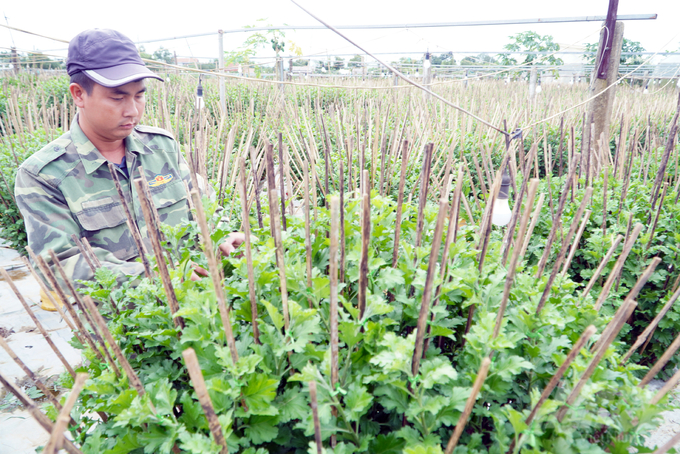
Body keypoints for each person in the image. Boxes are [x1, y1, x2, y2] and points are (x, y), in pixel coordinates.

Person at [14, 29, 242, 310]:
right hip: (124, 330)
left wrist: (224, 235)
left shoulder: (162, 147)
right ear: (78, 94)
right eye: (117, 98)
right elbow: (60, 264)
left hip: (199, 309)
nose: (133, 110)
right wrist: (162, 279)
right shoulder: (45, 174)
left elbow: (202, 208)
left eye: (139, 96)